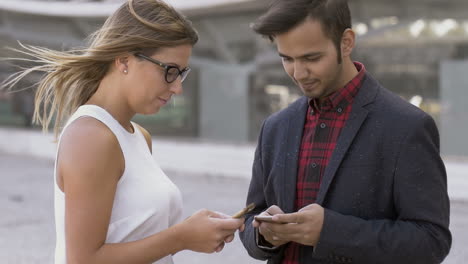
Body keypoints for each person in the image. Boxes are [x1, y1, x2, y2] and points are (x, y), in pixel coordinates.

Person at [2, 0, 244, 263]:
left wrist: (196, 232)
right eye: (170, 71)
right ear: (124, 60)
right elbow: (84, 260)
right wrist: (181, 237)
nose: (177, 88)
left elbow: (134, 236)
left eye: (181, 74)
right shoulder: (92, 137)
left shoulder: (138, 136)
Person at [239, 0, 451, 263]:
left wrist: (330, 231)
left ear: (346, 42)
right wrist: (263, 235)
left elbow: (431, 241)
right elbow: (250, 218)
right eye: (287, 59)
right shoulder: (275, 127)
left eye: (311, 57)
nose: (298, 72)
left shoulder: (407, 126)